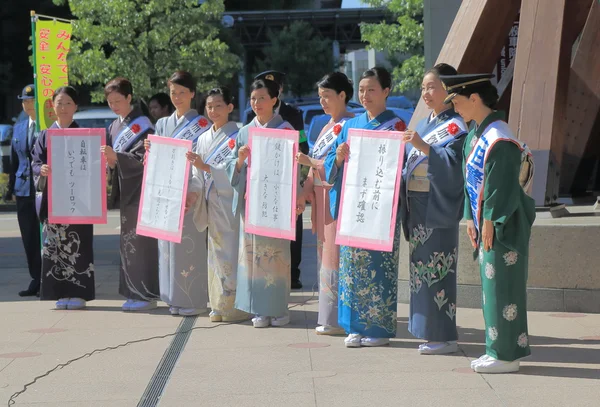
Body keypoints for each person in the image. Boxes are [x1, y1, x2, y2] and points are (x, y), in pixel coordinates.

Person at [442, 73, 535, 373]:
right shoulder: (475, 134)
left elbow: (502, 185)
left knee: (504, 288)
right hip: (486, 223)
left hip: (504, 225)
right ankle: (495, 349)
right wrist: (471, 218)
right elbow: (471, 182)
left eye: (457, 100)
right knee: (491, 288)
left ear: (475, 98)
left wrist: (490, 220)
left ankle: (507, 355)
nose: (455, 107)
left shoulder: (500, 137)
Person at [325, 67, 407, 348]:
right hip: (354, 207)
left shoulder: (396, 126)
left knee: (378, 267)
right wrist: (337, 157)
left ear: (386, 91)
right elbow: (330, 165)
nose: (365, 95)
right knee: (351, 267)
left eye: (371, 89)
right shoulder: (350, 125)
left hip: (381, 208)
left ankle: (379, 328)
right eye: (361, 90)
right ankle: (353, 326)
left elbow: (402, 167)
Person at [226, 78, 305, 328]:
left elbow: (295, 168)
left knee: (277, 256)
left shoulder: (286, 129)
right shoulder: (243, 131)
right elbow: (232, 169)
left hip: (275, 202)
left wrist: (296, 196)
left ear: (274, 100)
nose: (257, 103)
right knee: (252, 257)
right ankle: (258, 309)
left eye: (262, 98)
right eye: (253, 99)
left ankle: (279, 309)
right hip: (252, 202)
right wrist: (239, 161)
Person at [400, 64, 468, 355]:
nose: (426, 93)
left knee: (437, 269)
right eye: (423, 87)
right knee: (421, 272)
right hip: (417, 207)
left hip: (437, 205)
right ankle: (427, 330)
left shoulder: (454, 125)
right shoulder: (426, 123)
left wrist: (424, 147)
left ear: (448, 91)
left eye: (432, 87)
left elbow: (455, 166)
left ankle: (444, 335)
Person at [296, 72, 354, 336]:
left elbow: (334, 165)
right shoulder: (326, 126)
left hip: (337, 196)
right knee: (325, 256)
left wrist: (312, 165)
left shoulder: (352, 124)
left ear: (342, 95)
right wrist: (303, 191)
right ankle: (329, 315)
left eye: (327, 96)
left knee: (336, 256)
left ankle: (338, 318)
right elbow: (313, 166)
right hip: (321, 199)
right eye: (320, 97)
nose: (323, 102)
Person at [148, 71, 210, 316]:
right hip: (168, 191)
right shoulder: (163, 123)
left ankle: (193, 299)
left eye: (182, 92)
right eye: (173, 92)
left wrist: (194, 191)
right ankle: (173, 297)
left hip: (190, 190)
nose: (177, 97)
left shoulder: (203, 124)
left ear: (192, 93)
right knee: (168, 248)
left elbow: (202, 159)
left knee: (189, 246)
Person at [186, 86, 251, 323]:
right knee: (214, 252)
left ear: (230, 107)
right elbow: (196, 174)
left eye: (218, 106)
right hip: (211, 203)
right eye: (209, 106)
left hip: (231, 202)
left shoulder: (238, 135)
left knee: (233, 249)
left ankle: (236, 305)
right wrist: (193, 194)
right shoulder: (203, 138)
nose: (213, 111)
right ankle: (218, 303)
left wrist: (206, 168)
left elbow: (237, 169)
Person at [31, 86, 95, 310]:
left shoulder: (85, 135)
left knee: (78, 244)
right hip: (54, 199)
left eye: (68, 103)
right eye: (59, 103)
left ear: (76, 106)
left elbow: (94, 166)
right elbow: (35, 162)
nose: (64, 107)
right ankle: (59, 291)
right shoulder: (45, 134)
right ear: (52, 106)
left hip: (79, 200)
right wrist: (42, 170)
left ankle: (78, 293)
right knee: (55, 245)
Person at [101, 77, 160, 312]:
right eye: (110, 101)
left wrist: (116, 159)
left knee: (142, 243)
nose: (114, 105)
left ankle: (146, 293)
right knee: (128, 243)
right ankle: (133, 291)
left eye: (118, 100)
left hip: (141, 191)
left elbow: (143, 160)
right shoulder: (114, 126)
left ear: (129, 98)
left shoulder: (143, 125)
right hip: (126, 190)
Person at [246, 70, 306, 290]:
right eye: (255, 97)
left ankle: (293, 273)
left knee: (293, 227)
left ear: (277, 92)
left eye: (272, 89)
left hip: (286, 177)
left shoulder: (293, 113)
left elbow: (302, 143)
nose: (258, 102)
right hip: (261, 181)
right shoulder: (250, 116)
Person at [6, 84, 41, 297]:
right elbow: (13, 160)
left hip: (43, 188)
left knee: (45, 236)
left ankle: (49, 278)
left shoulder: (46, 126)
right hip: (22, 189)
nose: (28, 104)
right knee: (28, 236)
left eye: (31, 100)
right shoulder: (19, 127)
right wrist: (11, 186)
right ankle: (36, 279)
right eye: (24, 101)